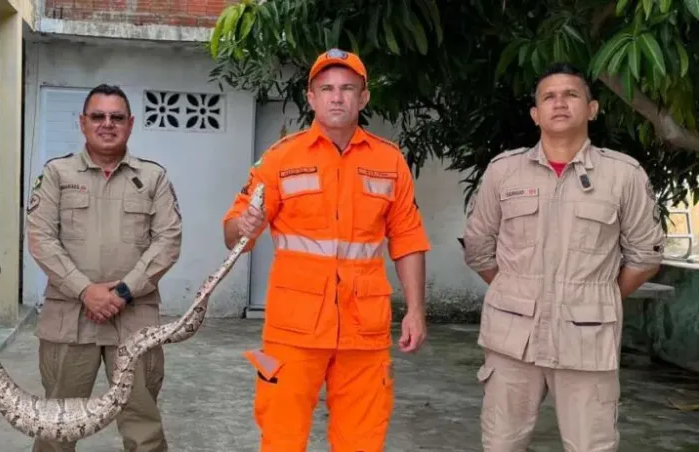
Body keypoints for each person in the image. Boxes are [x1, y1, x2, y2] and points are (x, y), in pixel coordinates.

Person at [221, 48, 431, 452]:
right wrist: (242, 226)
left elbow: (407, 238)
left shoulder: (390, 162)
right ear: (311, 97)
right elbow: (235, 239)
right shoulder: (281, 159)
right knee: (281, 437)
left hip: (363, 331)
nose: (337, 97)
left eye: (348, 88)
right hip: (292, 332)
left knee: (362, 440)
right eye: (327, 88)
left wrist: (417, 311)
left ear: (364, 98)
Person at [462, 62, 666, 452]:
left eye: (571, 94)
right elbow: (479, 247)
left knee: (592, 446)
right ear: (535, 114)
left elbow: (645, 254)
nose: (560, 103)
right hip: (512, 340)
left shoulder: (623, 175)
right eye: (549, 97)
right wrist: (517, 290)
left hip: (586, 342)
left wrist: (597, 296)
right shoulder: (504, 172)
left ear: (592, 109)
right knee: (501, 443)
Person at [26, 83, 183, 452]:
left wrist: (123, 291)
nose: (107, 124)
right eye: (98, 116)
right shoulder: (56, 174)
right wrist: (86, 291)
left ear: (130, 124)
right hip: (69, 320)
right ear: (82, 123)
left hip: (134, 323)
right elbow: (40, 239)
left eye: (116, 117)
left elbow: (168, 241)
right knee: (56, 427)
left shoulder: (153, 177)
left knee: (143, 427)